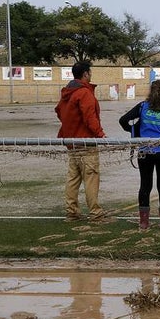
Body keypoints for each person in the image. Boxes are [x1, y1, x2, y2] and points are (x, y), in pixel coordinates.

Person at [118, 79, 160, 230]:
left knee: (145, 185)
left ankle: (144, 222)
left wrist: (135, 130)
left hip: (145, 151)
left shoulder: (142, 107)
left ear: (150, 92)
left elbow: (123, 120)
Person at [55, 60, 107, 221]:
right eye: (90, 72)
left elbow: (59, 111)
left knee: (73, 178)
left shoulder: (67, 92)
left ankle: (72, 211)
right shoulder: (84, 93)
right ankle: (95, 212)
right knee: (91, 177)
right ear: (85, 74)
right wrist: (100, 134)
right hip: (86, 143)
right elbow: (90, 117)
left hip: (71, 143)